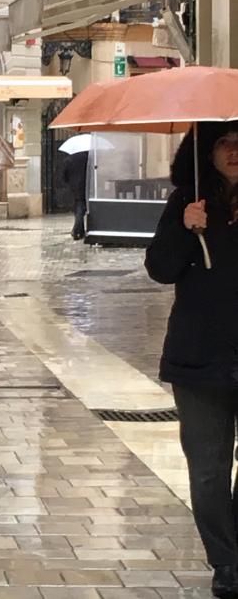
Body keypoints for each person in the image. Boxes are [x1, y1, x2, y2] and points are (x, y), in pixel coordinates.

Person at [145, 123, 238, 599]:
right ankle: (226, 562)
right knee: (207, 467)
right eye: (226, 142)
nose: (235, 151)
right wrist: (186, 229)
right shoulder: (188, 199)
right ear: (207, 151)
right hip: (199, 357)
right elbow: (160, 269)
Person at [63, 151, 89, 240]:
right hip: (85, 184)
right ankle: (77, 230)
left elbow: (64, 174)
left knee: (78, 206)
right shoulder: (87, 157)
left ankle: (78, 230)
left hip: (74, 186)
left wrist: (69, 182)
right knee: (81, 207)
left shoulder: (69, 159)